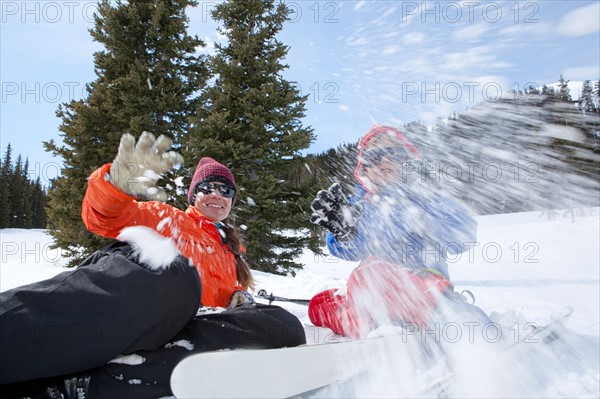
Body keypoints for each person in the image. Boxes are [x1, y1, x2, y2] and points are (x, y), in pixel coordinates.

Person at [0, 132, 305, 397]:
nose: (217, 195)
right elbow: (104, 219)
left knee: (283, 325)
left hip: (179, 331)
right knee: (179, 278)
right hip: (144, 308)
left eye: (226, 191)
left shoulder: (231, 251)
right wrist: (114, 186)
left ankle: (93, 385)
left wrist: (239, 299)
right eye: (208, 187)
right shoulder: (168, 217)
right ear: (193, 194)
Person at [307, 125, 483, 338]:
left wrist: (425, 216)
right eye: (374, 156)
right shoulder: (360, 204)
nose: (384, 161)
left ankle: (472, 332)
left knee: (454, 315)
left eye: (393, 154)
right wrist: (345, 235)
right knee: (322, 303)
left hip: (422, 286)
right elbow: (353, 251)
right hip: (373, 290)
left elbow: (464, 235)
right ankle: (378, 327)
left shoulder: (424, 196)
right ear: (365, 167)